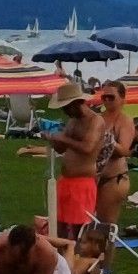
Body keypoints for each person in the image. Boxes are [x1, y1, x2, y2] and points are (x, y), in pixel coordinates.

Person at [92, 79, 136, 274]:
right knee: (92, 224)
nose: (107, 100)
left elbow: (125, 150)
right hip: (96, 176)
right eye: (104, 97)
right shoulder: (98, 118)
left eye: (112, 97)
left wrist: (108, 140)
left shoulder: (124, 121)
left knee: (107, 225)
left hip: (114, 178)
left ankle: (105, 269)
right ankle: (91, 263)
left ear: (122, 98)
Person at [46, 84, 102, 240]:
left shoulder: (95, 121)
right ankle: (63, 259)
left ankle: (78, 257)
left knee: (80, 227)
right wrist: (52, 139)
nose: (65, 111)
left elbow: (88, 148)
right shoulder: (72, 121)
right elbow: (61, 149)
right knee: (59, 225)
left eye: (66, 107)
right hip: (66, 180)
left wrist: (63, 138)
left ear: (77, 103)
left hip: (83, 181)